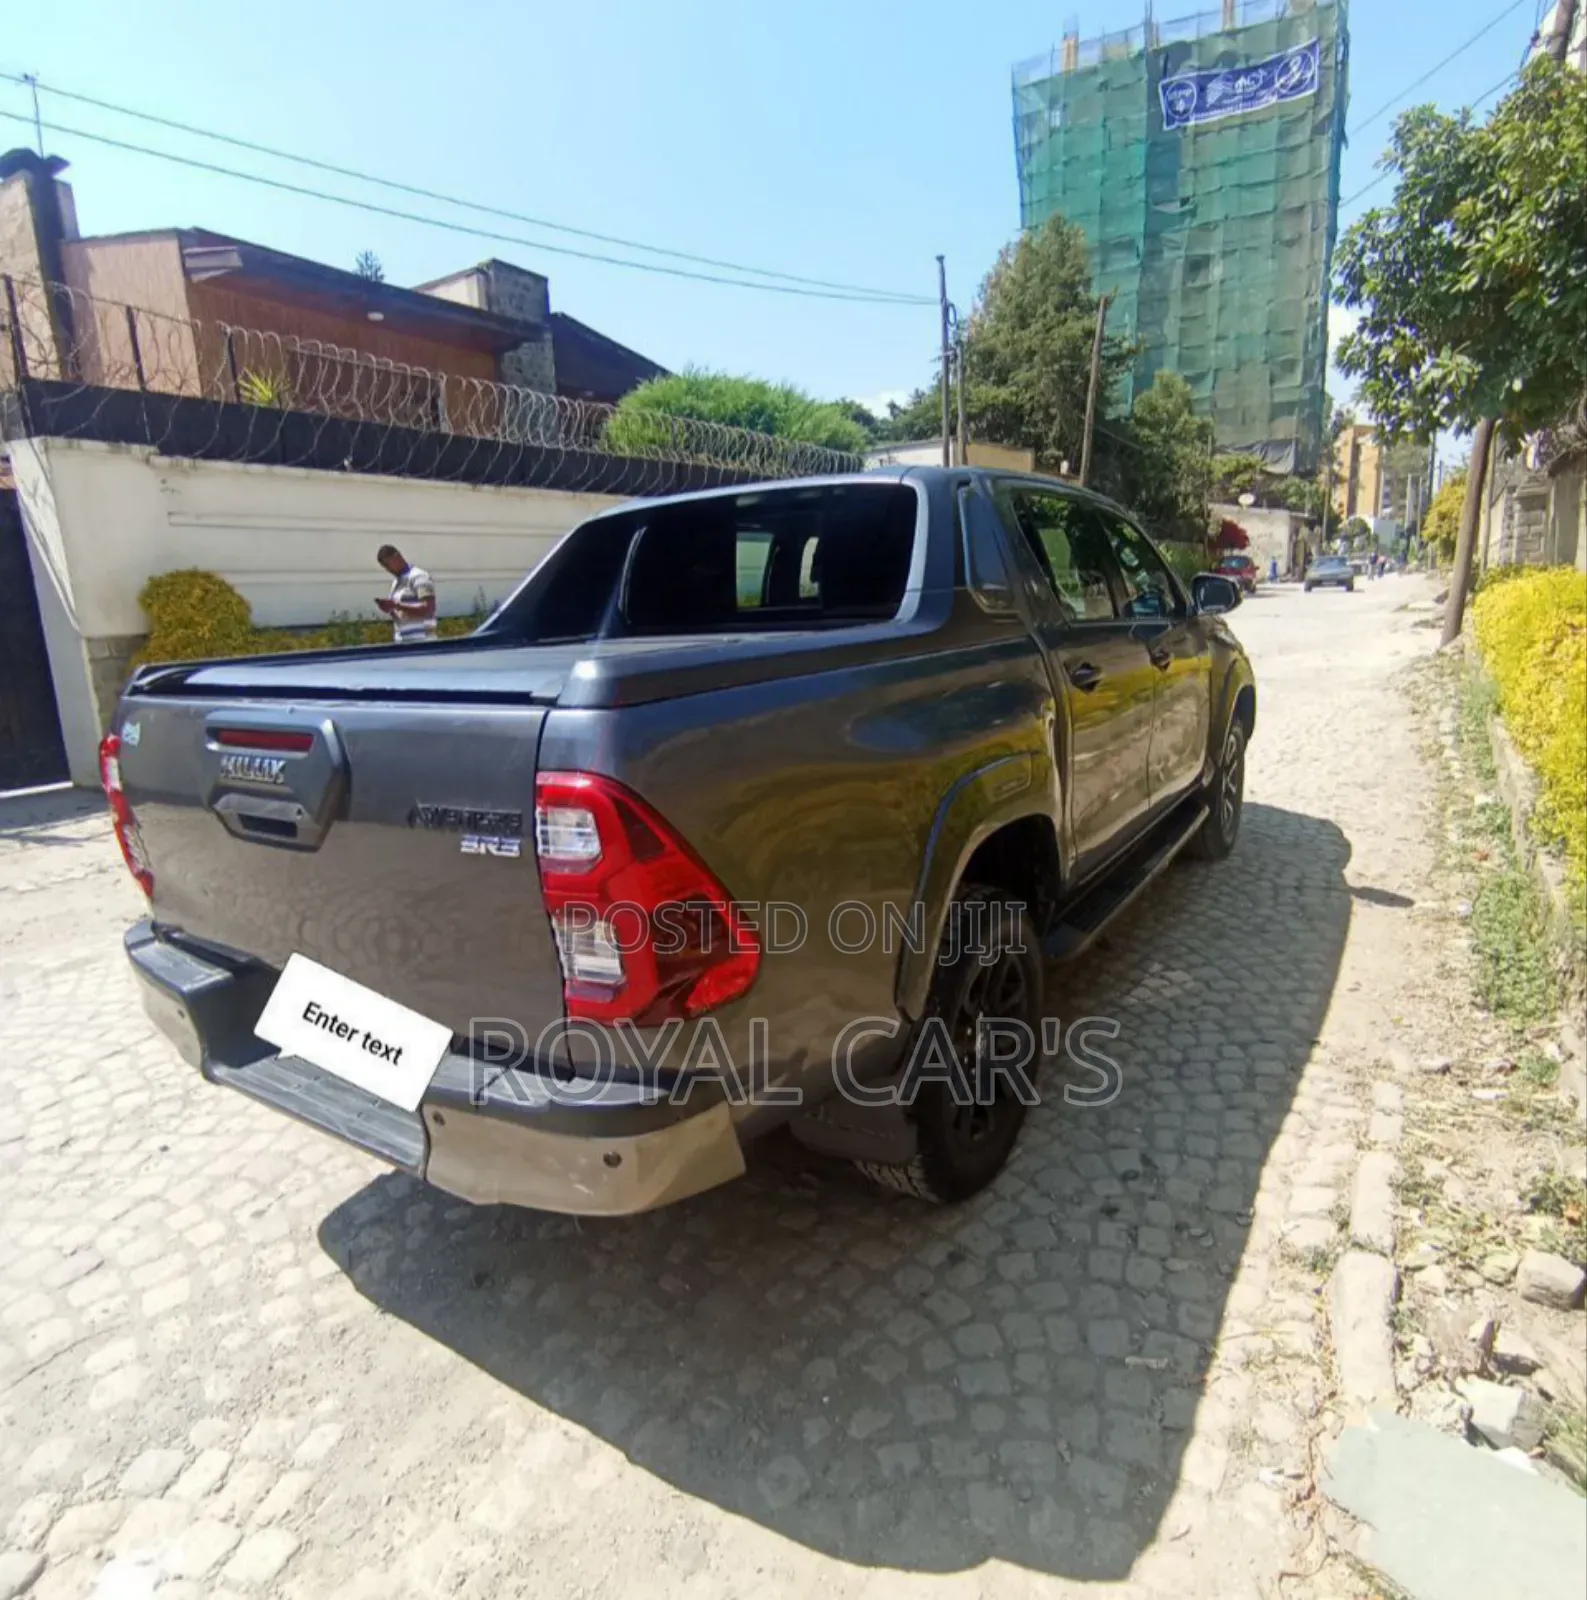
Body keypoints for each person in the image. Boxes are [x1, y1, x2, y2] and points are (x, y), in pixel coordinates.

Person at [375, 544, 437, 643]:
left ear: (397, 557)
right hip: (403, 641)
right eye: (384, 567)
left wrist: (397, 605)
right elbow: (401, 611)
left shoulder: (419, 577)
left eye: (387, 564)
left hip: (422, 641)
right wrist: (389, 608)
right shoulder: (396, 582)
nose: (387, 569)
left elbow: (429, 608)